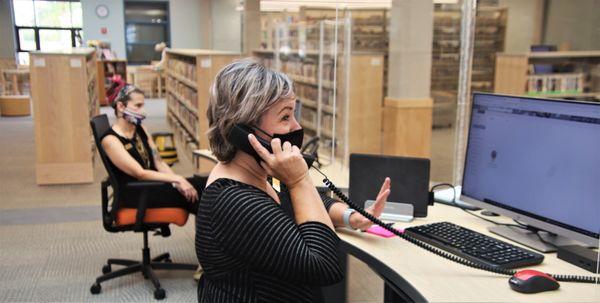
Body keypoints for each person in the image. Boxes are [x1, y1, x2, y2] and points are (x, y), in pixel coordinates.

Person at [196, 59, 391, 302]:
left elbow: (294, 201)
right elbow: (324, 264)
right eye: (285, 117)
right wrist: (300, 179)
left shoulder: (258, 174)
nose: (297, 127)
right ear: (243, 129)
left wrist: (351, 217)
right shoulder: (236, 201)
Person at [101, 84, 202, 215]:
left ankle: (211, 232)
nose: (143, 111)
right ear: (121, 107)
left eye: (143, 105)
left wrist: (177, 182)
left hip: (154, 185)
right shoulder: (111, 140)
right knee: (200, 196)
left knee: (205, 186)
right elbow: (140, 173)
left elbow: (159, 162)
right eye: (138, 106)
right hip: (137, 194)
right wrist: (177, 179)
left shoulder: (140, 129)